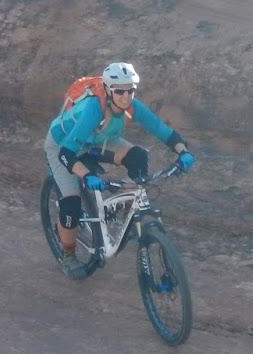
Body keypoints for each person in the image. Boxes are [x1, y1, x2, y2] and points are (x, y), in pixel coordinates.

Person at [45, 61, 195, 262]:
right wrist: (87, 175)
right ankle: (68, 254)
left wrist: (183, 152)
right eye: (119, 92)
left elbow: (163, 131)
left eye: (130, 91)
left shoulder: (133, 106)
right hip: (63, 145)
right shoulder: (93, 109)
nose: (126, 97)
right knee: (71, 204)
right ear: (108, 90)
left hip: (98, 140)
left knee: (138, 157)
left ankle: (127, 216)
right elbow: (66, 154)